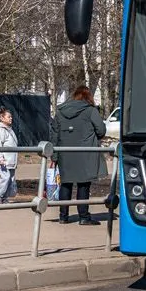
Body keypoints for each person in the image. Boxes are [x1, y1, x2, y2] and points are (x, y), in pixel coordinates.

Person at [50, 85, 106, 225]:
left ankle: (63, 216)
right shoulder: (90, 111)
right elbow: (101, 130)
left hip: (65, 152)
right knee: (83, 184)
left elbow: (54, 134)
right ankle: (83, 217)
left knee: (66, 184)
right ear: (88, 97)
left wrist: (54, 157)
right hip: (85, 153)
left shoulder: (60, 111)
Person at [0, 107, 20, 204]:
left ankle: (5, 197)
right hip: (3, 160)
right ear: (2, 118)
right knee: (5, 178)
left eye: (11, 117)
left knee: (10, 179)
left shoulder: (9, 130)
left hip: (11, 160)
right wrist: (0, 158)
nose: (11, 118)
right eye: (9, 117)